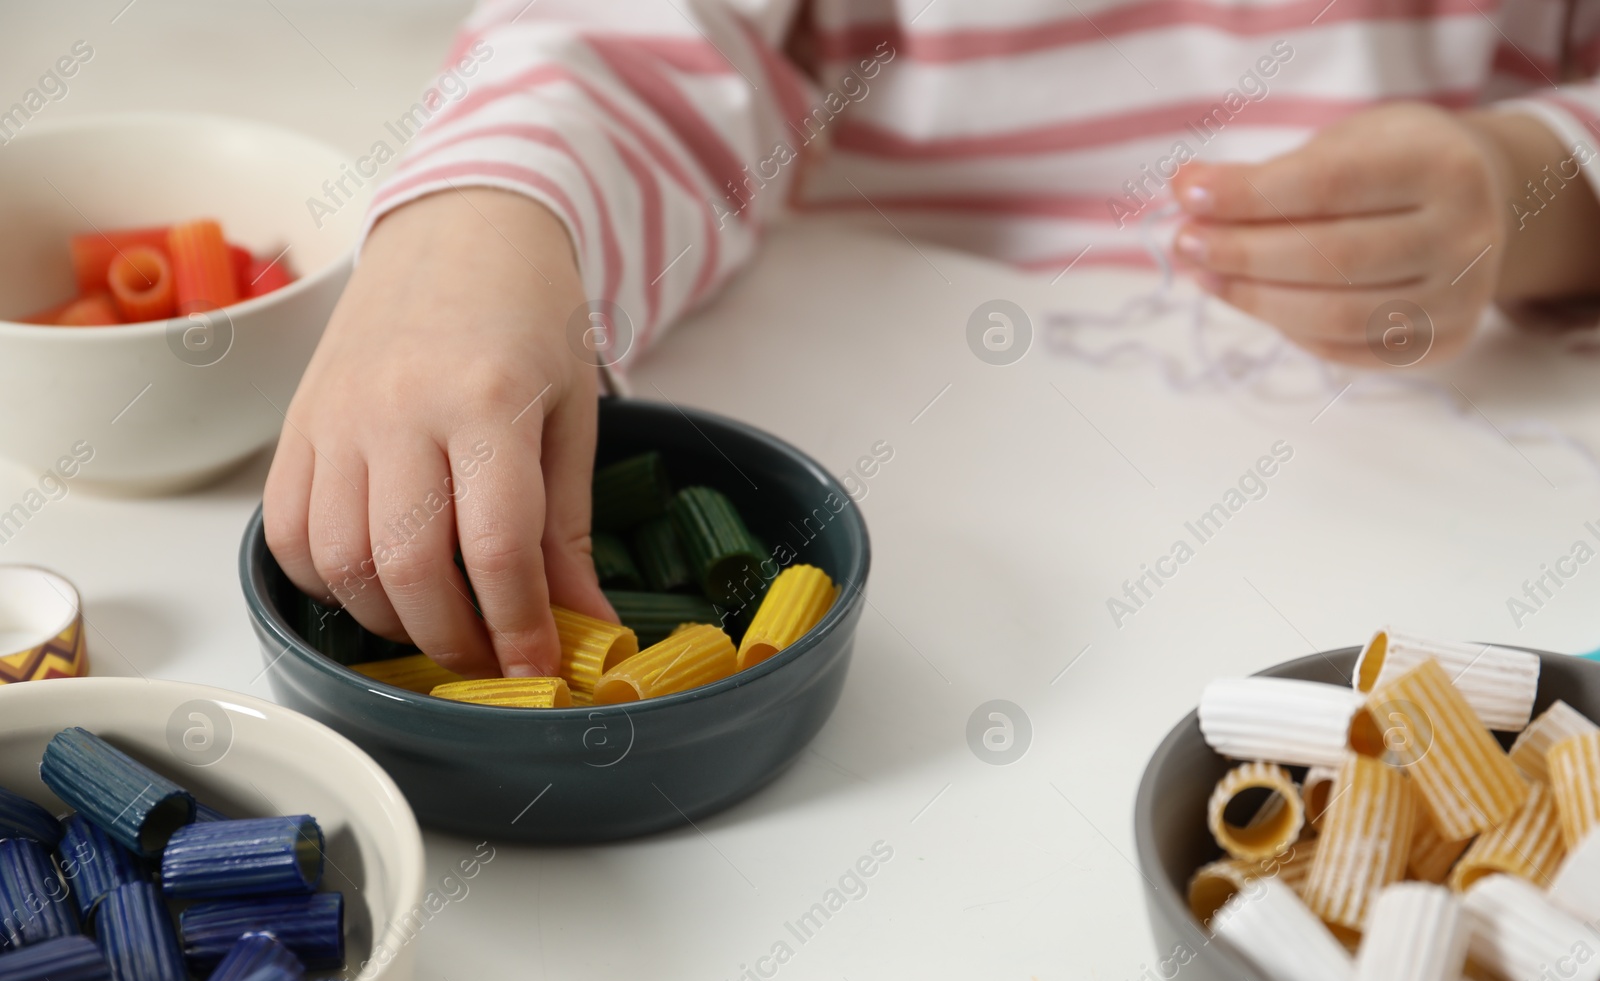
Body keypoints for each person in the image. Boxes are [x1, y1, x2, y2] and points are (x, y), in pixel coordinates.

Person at [264, 0, 1600, 677]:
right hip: (918, 449)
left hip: (1463, 478)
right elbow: (633, 40)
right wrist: (484, 228)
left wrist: (1539, 185)